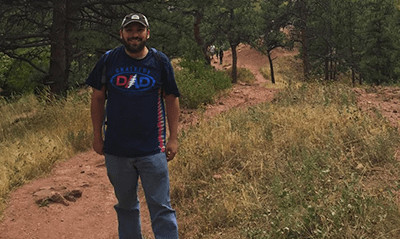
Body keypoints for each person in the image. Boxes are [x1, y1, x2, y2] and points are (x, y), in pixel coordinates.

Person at [86, 12, 180, 239]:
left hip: (153, 149)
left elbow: (171, 98)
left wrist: (173, 137)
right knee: (126, 207)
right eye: (130, 30)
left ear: (147, 33)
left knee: (161, 208)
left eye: (139, 30)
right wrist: (97, 136)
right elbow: (98, 98)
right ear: (122, 34)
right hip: (117, 150)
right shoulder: (109, 60)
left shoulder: (159, 61)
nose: (134, 35)